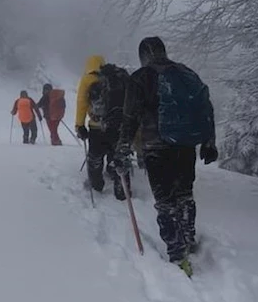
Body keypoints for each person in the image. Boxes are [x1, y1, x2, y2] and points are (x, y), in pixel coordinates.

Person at [114, 36, 218, 276]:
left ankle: (178, 255)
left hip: (155, 148)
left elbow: (130, 118)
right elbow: (205, 107)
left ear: (143, 55)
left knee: (165, 201)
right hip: (184, 146)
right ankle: (188, 236)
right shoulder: (186, 73)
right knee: (184, 194)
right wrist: (209, 142)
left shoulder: (140, 78)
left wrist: (122, 148)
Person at [74, 55, 130, 200]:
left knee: (95, 158)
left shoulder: (87, 79)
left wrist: (79, 125)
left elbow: (82, 103)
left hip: (96, 127)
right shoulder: (118, 77)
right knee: (118, 156)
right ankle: (122, 189)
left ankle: (97, 185)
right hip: (117, 126)